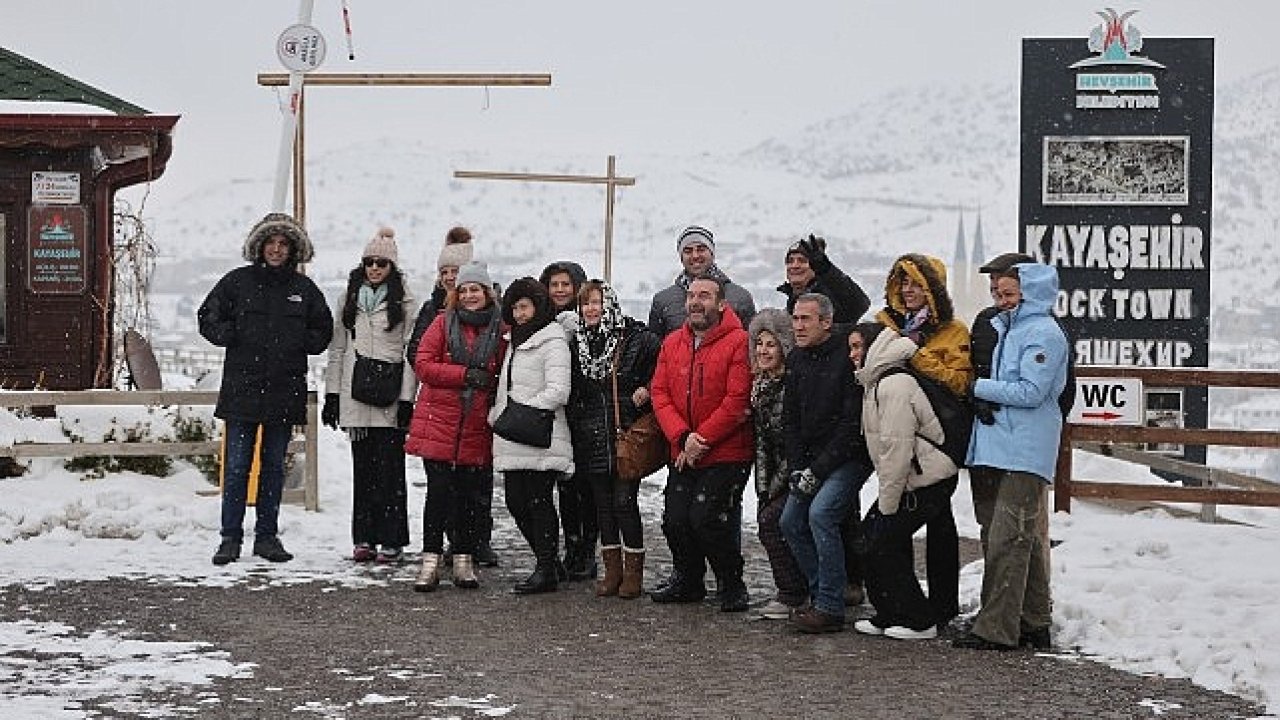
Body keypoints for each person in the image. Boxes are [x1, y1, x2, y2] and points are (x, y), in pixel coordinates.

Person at [198, 212, 333, 566]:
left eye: (283, 244)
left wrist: (299, 341)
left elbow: (323, 331)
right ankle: (230, 539)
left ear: (293, 250)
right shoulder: (237, 283)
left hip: (283, 393)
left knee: (274, 467)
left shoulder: (304, 291)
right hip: (241, 392)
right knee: (238, 468)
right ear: (259, 246)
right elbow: (207, 317)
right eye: (270, 243)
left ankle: (267, 538)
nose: (276, 249)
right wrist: (230, 336)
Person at [954, 262, 1069, 651]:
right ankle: (1033, 621)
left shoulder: (1042, 333)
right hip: (1006, 445)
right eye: (997, 294)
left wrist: (980, 388)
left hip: (1025, 448)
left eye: (1009, 294)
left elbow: (1031, 392)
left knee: (1008, 538)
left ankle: (997, 628)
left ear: (1030, 293)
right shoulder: (1013, 329)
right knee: (1025, 540)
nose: (1001, 302)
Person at [873, 253, 972, 626]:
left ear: (934, 288)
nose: (909, 290)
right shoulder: (886, 324)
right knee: (895, 513)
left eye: (916, 282)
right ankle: (903, 600)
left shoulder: (955, 331)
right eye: (904, 282)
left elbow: (960, 382)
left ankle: (941, 606)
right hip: (897, 436)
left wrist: (915, 356)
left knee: (939, 523)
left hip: (938, 439)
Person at [649, 276, 753, 612]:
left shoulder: (739, 342)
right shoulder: (672, 343)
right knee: (675, 519)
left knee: (707, 518)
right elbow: (659, 393)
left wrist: (701, 439)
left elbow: (737, 400)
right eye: (692, 296)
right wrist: (682, 437)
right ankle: (688, 579)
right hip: (683, 449)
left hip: (727, 451)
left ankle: (731, 582)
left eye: (704, 296)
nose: (696, 302)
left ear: (721, 303)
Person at [853, 322, 961, 640]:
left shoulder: (893, 386)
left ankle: (918, 618)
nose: (853, 354)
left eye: (858, 347)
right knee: (875, 539)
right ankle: (889, 612)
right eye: (851, 347)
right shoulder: (876, 382)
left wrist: (888, 505)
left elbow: (896, 450)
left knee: (878, 541)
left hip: (927, 478)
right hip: (917, 477)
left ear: (874, 348)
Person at [405, 261, 506, 591]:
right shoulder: (441, 322)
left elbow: (505, 371)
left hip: (476, 423)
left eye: (475, 289)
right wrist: (463, 375)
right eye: (463, 290)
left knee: (468, 497)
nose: (469, 295)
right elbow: (423, 364)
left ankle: (463, 558)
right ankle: (430, 560)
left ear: (487, 292)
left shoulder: (499, 329)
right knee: (438, 495)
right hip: (439, 421)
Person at [321, 227, 417, 564]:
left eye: (381, 263)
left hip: (390, 394)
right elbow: (337, 350)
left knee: (391, 472)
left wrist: (407, 399)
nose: (374, 268)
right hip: (355, 393)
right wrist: (332, 395)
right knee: (363, 472)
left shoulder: (406, 301)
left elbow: (410, 353)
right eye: (369, 262)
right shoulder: (348, 298)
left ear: (392, 267)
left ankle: (393, 539)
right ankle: (364, 538)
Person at [779, 294, 873, 633]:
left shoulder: (845, 358)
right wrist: (796, 466)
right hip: (810, 460)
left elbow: (851, 425)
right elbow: (790, 420)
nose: (798, 326)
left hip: (849, 457)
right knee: (790, 521)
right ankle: (823, 592)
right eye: (796, 319)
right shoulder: (797, 360)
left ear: (826, 322)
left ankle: (830, 607)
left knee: (821, 515)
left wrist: (818, 469)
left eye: (806, 319)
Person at [565, 279, 660, 599]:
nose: (591, 309)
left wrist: (647, 388)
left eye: (597, 302)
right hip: (590, 435)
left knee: (623, 502)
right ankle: (612, 570)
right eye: (585, 304)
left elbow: (662, 367)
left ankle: (633, 572)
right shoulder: (576, 343)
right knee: (602, 506)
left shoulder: (635, 338)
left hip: (625, 434)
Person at [489, 278, 575, 594]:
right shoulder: (515, 341)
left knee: (539, 503)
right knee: (515, 502)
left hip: (542, 433)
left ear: (537, 307)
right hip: (514, 434)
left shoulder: (552, 340)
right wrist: (500, 416)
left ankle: (546, 568)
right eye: (515, 307)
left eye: (524, 306)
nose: (519, 313)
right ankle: (549, 561)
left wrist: (523, 413)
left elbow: (558, 390)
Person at [539, 261, 598, 581]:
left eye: (566, 284)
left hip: (585, 415)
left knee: (586, 488)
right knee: (564, 487)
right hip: (556, 415)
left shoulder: (587, 322)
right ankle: (570, 546)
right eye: (554, 284)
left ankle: (586, 550)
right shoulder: (540, 321)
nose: (560, 290)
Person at [747, 308, 807, 620]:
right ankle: (792, 589)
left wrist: (774, 485)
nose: (763, 351)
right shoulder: (760, 386)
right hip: (774, 473)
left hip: (798, 469)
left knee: (774, 520)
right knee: (768, 519)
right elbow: (761, 441)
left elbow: (791, 442)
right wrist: (762, 484)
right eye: (759, 344)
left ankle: (795, 592)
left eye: (771, 344)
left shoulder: (791, 385)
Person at [648, 225, 756, 338]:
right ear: (681, 257)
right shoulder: (663, 301)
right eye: (688, 251)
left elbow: (752, 346)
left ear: (712, 253)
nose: (695, 256)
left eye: (701, 249)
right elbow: (655, 350)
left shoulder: (740, 298)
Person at [776, 234, 871, 327]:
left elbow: (859, 303)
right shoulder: (790, 305)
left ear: (816, 266)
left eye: (802, 261)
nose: (794, 266)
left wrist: (825, 270)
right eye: (790, 261)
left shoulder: (832, 300)